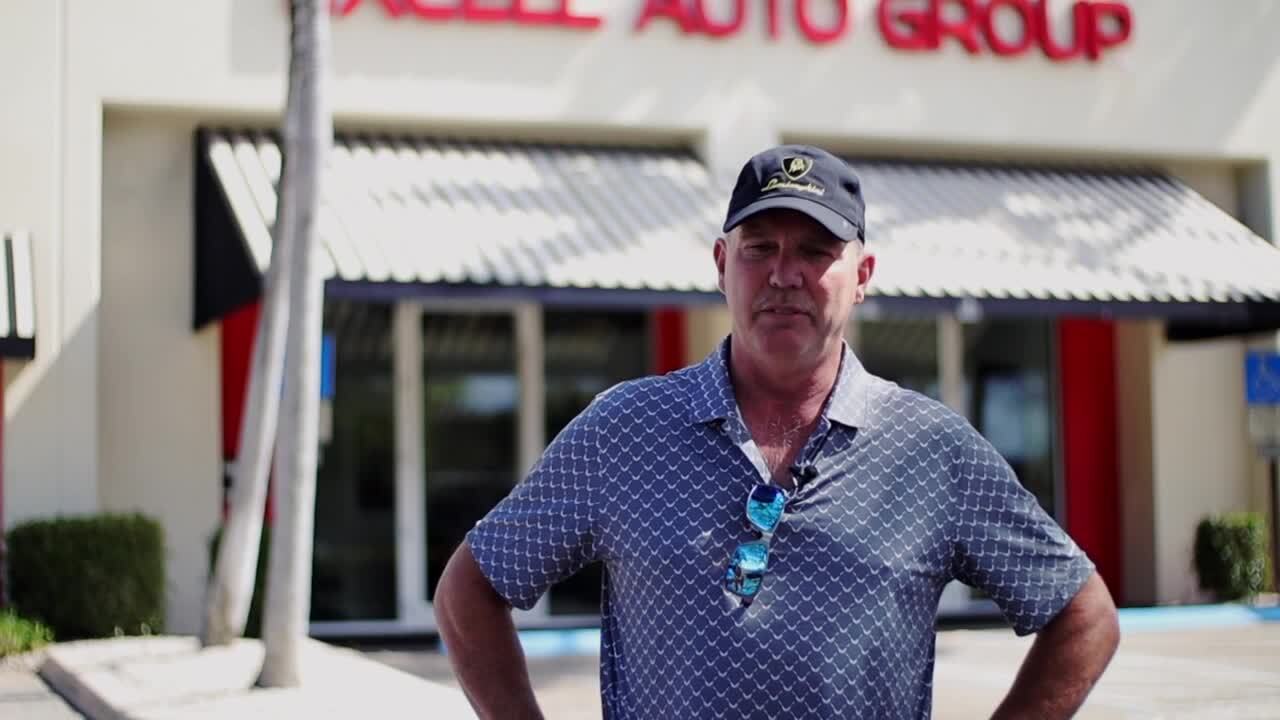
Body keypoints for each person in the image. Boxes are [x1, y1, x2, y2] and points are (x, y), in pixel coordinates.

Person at [435, 144, 1121, 719]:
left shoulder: (931, 450)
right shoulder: (624, 430)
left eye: (816, 250)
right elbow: (470, 591)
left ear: (862, 276)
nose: (784, 274)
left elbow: (1084, 616)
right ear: (721, 264)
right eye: (759, 247)